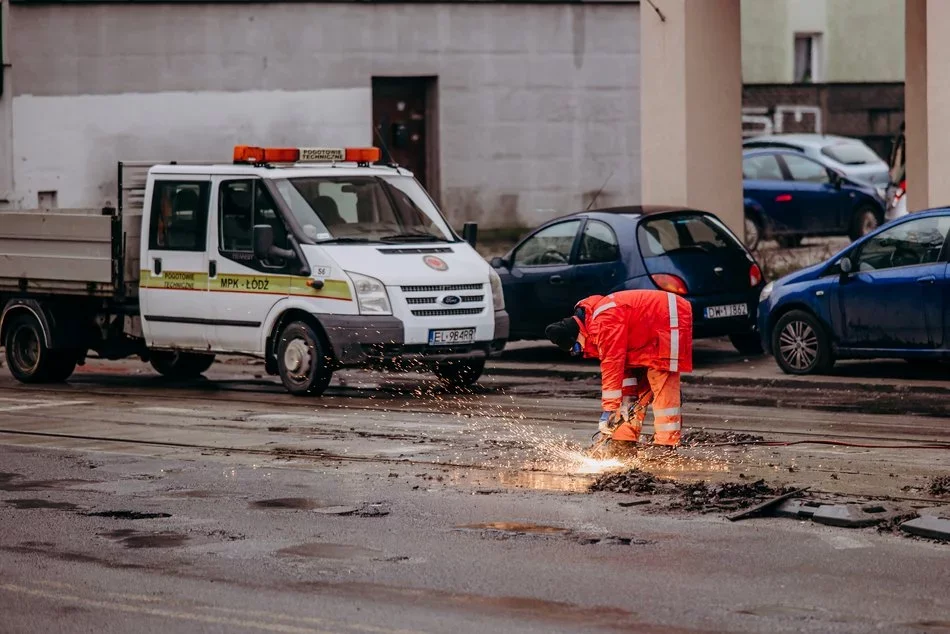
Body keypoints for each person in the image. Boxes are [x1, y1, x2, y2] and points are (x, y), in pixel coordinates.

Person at [545, 290, 693, 452]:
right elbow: (622, 368)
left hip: (668, 318)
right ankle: (624, 441)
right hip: (645, 331)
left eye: (577, 348)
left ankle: (666, 445)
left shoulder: (604, 322)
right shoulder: (593, 322)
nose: (581, 351)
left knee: (661, 380)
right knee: (631, 392)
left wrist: (609, 410)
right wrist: (627, 398)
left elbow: (612, 364)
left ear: (577, 334)